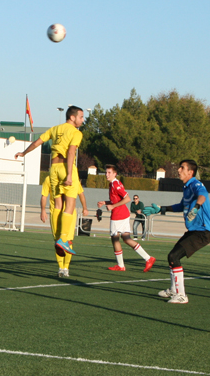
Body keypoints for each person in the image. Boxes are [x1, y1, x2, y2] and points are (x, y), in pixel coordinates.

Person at [16, 105, 85, 255]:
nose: (82, 120)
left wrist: (24, 153)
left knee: (58, 203)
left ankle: (57, 238)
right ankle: (63, 239)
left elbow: (36, 143)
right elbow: (72, 151)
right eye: (81, 117)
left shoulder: (55, 129)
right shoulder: (76, 132)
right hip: (66, 168)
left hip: (53, 169)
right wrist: (68, 174)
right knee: (70, 204)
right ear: (72, 117)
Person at [145, 159, 210, 304]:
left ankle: (181, 295)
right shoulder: (186, 187)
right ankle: (173, 289)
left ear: (191, 172)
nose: (178, 170)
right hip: (194, 230)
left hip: (203, 231)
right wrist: (161, 209)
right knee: (171, 257)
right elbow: (180, 206)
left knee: (174, 256)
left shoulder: (196, 184)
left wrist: (196, 207)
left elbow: (203, 195)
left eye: (182, 168)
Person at [97, 165, 155, 273]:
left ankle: (121, 265)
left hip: (118, 215)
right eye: (106, 172)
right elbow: (117, 200)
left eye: (109, 172)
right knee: (126, 239)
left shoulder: (115, 184)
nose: (106, 174)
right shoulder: (113, 184)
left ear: (115, 174)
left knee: (115, 239)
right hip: (123, 214)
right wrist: (105, 202)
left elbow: (127, 198)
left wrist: (113, 206)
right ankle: (148, 258)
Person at [40, 175, 88, 277]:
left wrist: (85, 207)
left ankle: (66, 268)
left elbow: (81, 193)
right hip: (55, 213)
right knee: (58, 241)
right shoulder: (49, 178)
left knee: (68, 240)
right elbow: (44, 195)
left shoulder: (72, 178)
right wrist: (42, 210)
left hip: (70, 214)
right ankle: (60, 268)